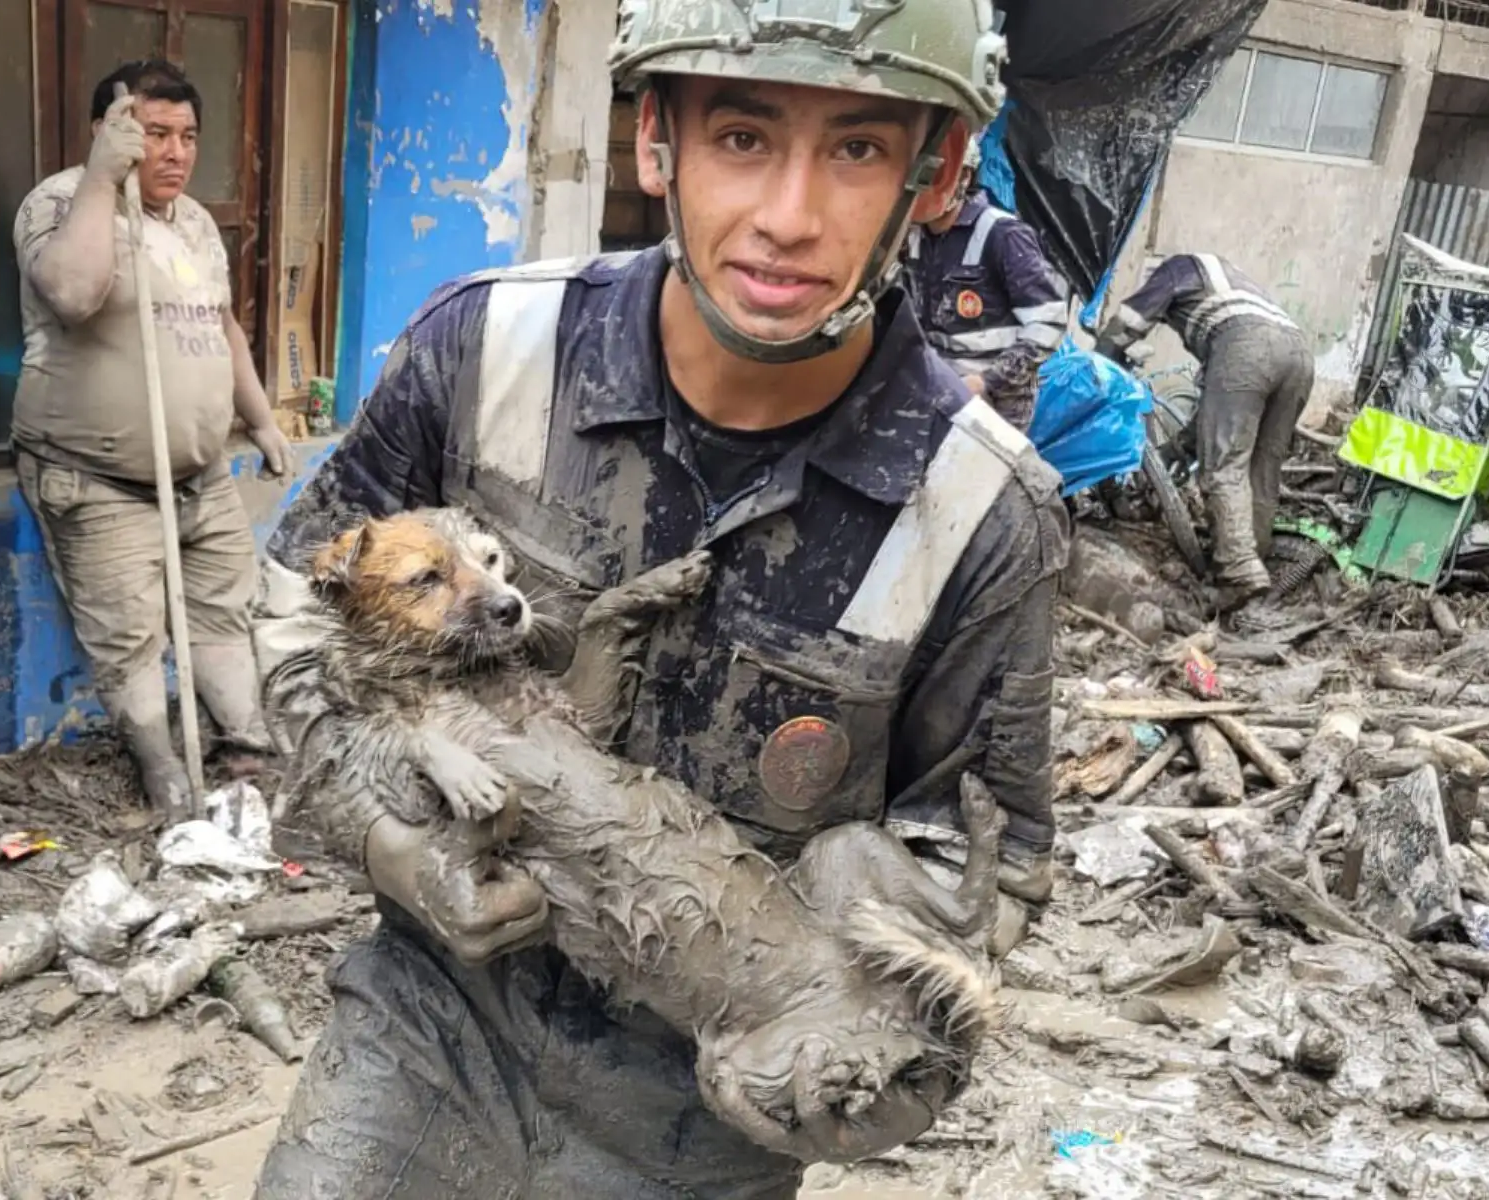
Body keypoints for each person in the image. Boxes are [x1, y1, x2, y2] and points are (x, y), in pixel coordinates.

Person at [250, 0, 1067, 1194]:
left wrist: (868, 1050)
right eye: (742, 137)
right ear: (656, 141)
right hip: (428, 1029)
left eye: (856, 149)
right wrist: (394, 850)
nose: (787, 218)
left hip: (702, 1114)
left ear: (932, 175)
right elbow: (291, 631)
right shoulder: (484, 352)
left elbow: (986, 856)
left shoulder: (984, 517)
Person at [12, 59, 291, 820]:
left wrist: (260, 417)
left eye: (188, 135)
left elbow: (224, 325)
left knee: (222, 612)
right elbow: (73, 294)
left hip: (201, 476)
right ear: (109, 132)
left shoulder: (196, 223)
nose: (174, 152)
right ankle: (164, 772)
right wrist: (104, 178)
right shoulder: (61, 202)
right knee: (128, 639)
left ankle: (246, 748)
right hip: (95, 478)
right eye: (155, 134)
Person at [1097, 253, 1312, 598]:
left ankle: (1238, 569)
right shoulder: (1229, 280)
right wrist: (1181, 445)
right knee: (1263, 465)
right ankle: (1254, 559)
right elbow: (1218, 415)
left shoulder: (1174, 268)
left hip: (1246, 347)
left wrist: (1099, 363)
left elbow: (1128, 322)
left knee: (1223, 465)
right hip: (1298, 353)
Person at [908, 137, 1069, 433]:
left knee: (980, 477)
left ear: (965, 175)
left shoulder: (1003, 234)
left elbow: (1048, 324)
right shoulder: (913, 236)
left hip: (997, 399)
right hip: (937, 387)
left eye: (935, 176)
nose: (925, 187)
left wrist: (986, 381)